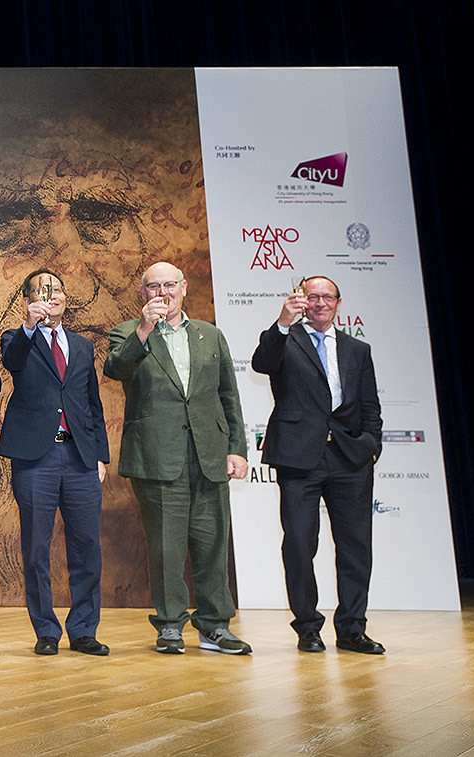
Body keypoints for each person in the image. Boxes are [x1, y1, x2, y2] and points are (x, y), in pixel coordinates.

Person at [104, 263, 251, 655]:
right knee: (166, 547)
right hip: (157, 456)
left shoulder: (210, 335)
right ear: (143, 292)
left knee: (212, 543)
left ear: (184, 288)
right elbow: (116, 367)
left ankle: (215, 626)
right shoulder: (128, 331)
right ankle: (169, 625)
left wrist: (236, 448)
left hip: (209, 454)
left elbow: (229, 397)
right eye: (154, 286)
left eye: (170, 284)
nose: (163, 292)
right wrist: (145, 330)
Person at [251, 275, 385, 654]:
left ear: (339, 303)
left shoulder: (358, 349)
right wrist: (282, 322)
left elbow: (370, 406)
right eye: (313, 297)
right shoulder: (284, 339)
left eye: (328, 297)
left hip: (349, 457)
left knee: (356, 546)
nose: (320, 303)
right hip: (299, 456)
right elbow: (262, 363)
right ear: (301, 301)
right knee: (298, 543)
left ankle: (352, 629)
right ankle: (308, 627)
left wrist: (370, 446)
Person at [0, 269, 110, 656]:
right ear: (28, 300)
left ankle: (83, 629)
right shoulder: (16, 338)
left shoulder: (81, 345)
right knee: (36, 549)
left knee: (86, 548)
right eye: (42, 292)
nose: (51, 297)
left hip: (80, 458)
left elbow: (92, 404)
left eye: (57, 290)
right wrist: (29, 325)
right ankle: (46, 630)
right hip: (35, 458)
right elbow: (13, 363)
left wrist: (99, 455)